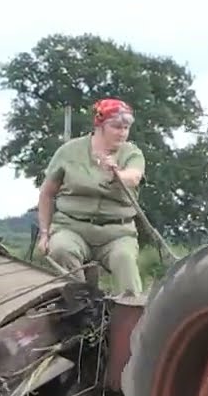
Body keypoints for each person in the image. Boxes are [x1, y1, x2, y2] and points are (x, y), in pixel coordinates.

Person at [35, 98, 146, 295]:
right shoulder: (69, 151)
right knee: (61, 250)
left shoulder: (131, 153)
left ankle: (131, 317)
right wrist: (44, 234)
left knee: (125, 260)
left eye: (126, 127)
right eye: (116, 127)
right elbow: (47, 193)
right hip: (72, 227)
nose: (122, 133)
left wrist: (117, 174)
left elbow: (134, 176)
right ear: (100, 125)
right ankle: (79, 306)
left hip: (117, 232)